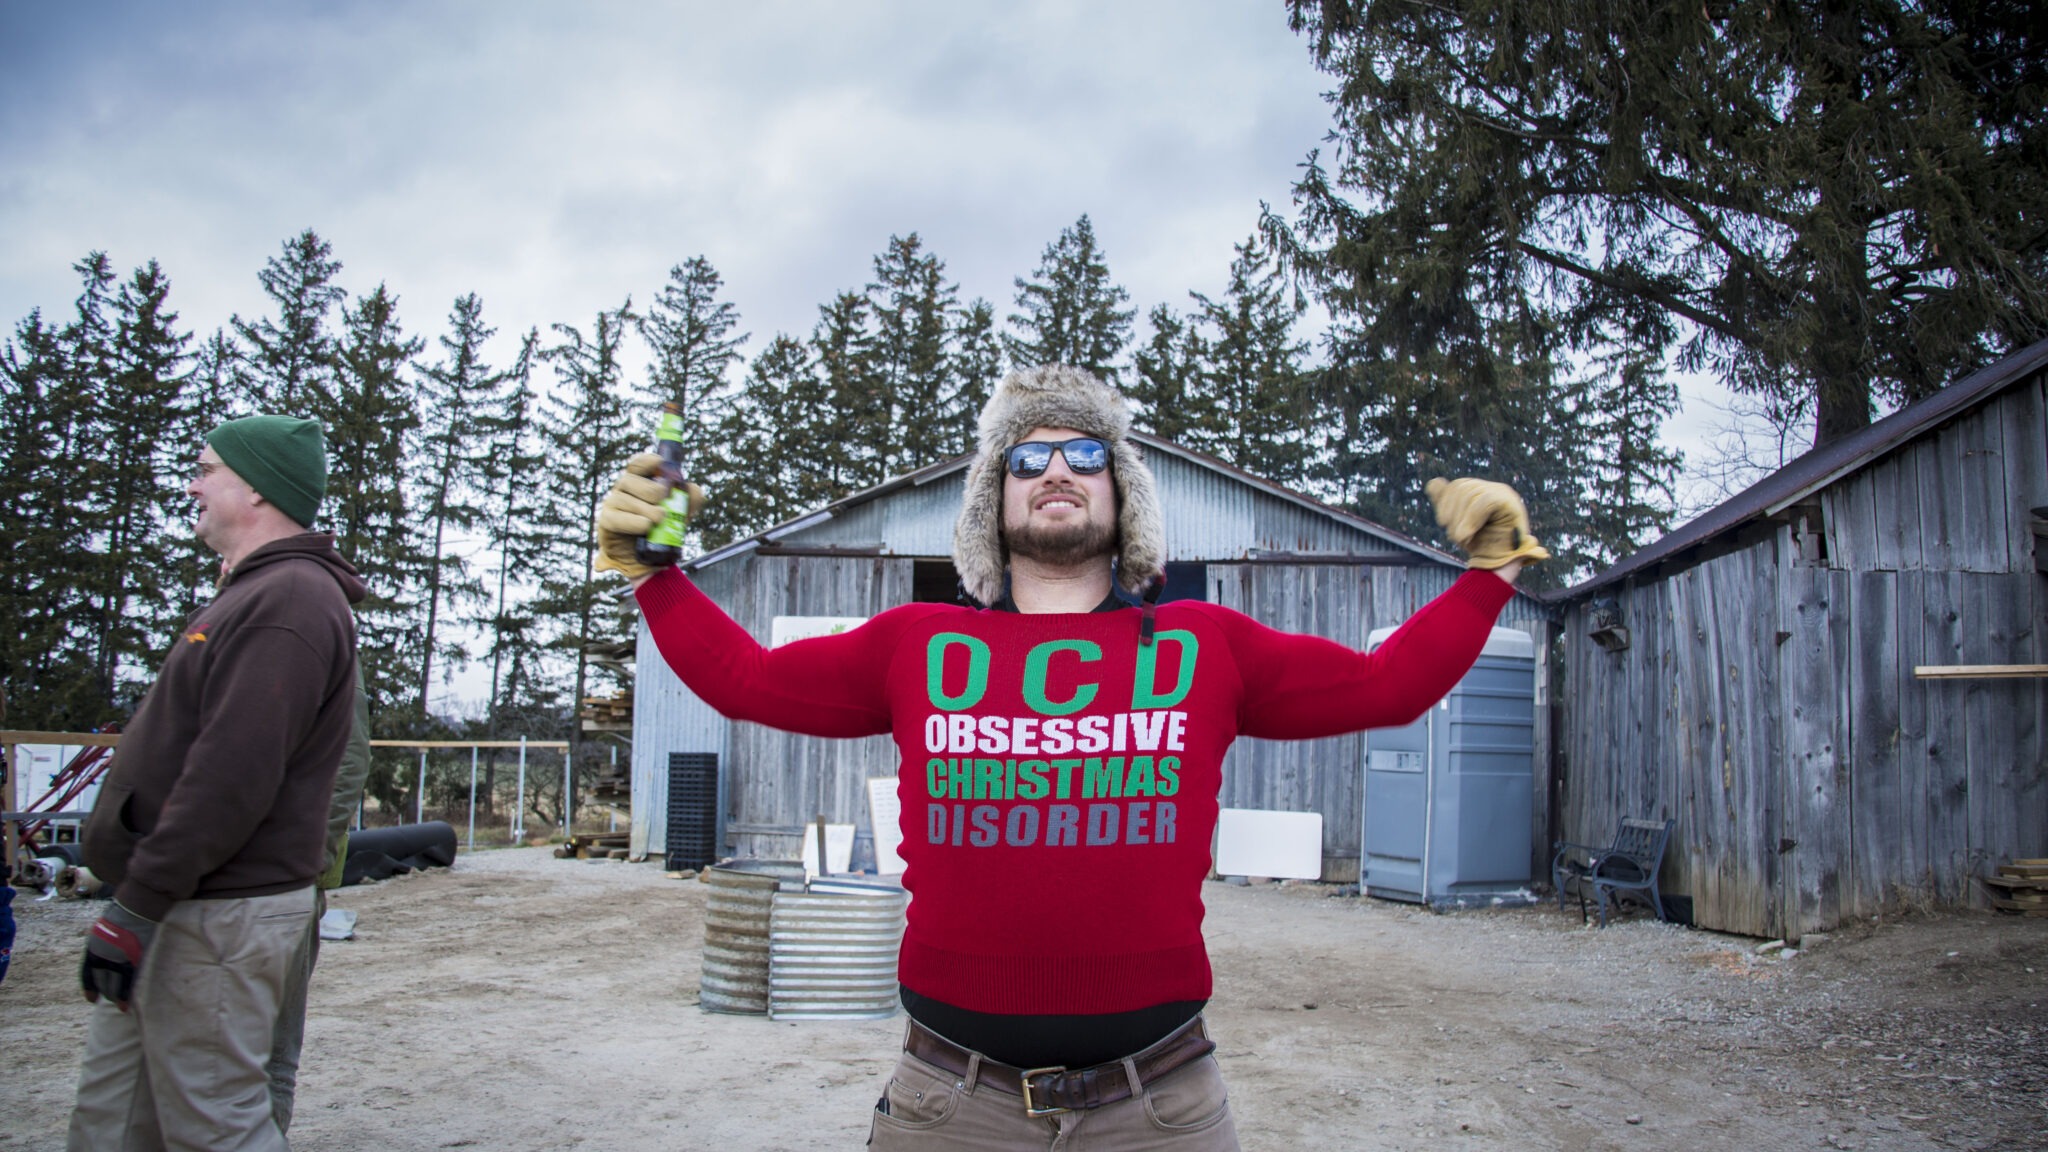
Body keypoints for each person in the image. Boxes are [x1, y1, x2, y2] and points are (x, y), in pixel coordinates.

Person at [596, 366, 1545, 1150]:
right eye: (1029, 456)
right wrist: (655, 577)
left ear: (1120, 492)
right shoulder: (915, 646)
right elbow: (747, 680)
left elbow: (1387, 686)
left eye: (1086, 453)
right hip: (948, 1109)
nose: (1059, 469)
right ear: (992, 498)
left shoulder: (1203, 645)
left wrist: (1487, 575)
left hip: (1159, 1109)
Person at [69, 415, 365, 1152]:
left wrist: (134, 907)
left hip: (217, 913)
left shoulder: (290, 601)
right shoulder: (255, 593)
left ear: (256, 487)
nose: (193, 484)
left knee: (216, 1126)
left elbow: (230, 779)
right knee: (114, 1121)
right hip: (184, 899)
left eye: (207, 468)